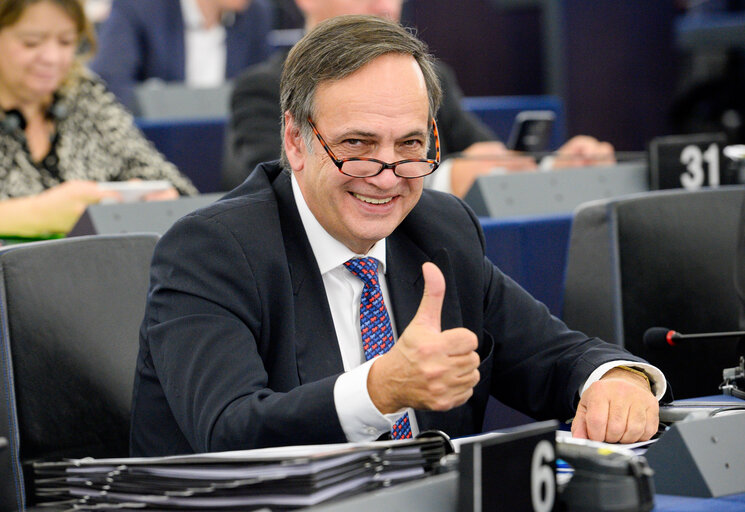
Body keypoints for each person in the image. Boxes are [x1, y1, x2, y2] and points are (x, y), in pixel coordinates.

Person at [131, 15, 664, 457]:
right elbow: (230, 431)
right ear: (295, 141)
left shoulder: (439, 229)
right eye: (358, 145)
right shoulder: (209, 251)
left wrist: (615, 380)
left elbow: (554, 357)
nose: (387, 174)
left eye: (410, 146)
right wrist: (380, 390)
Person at [221, 0, 614, 197]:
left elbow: (485, 155)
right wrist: (446, 179)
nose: (384, 6)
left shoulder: (429, 76)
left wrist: (547, 172)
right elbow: (280, 188)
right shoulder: (264, 88)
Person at [0, 0, 197, 237]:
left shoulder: (85, 95)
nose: (52, 57)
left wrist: (158, 198)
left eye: (66, 41)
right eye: (31, 43)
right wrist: (34, 213)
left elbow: (176, 187)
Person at [89, 0, 275, 112]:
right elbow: (108, 85)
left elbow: (261, 97)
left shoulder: (256, 14)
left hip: (228, 159)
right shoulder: (140, 7)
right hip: (157, 149)